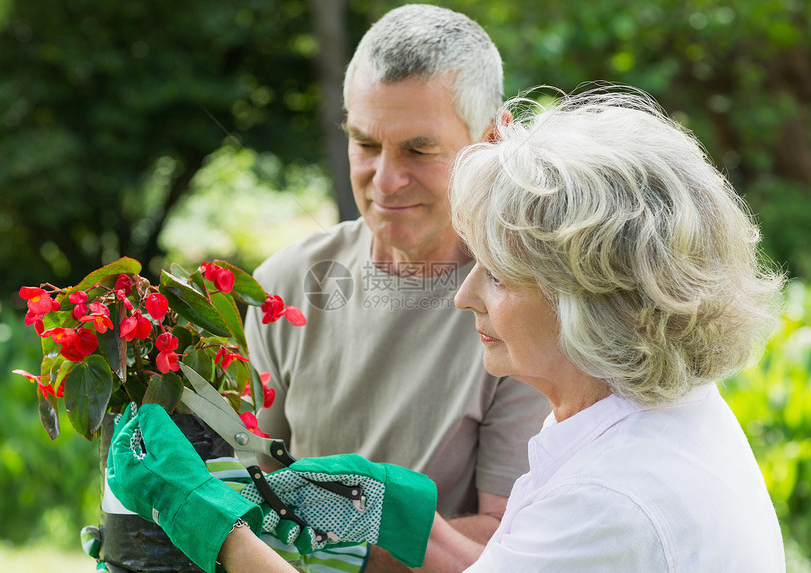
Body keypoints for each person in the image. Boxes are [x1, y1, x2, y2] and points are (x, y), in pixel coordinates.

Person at [243, 4, 549, 570]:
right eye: (365, 143)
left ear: (492, 138)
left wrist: (332, 557)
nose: (385, 180)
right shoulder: (285, 285)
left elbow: (508, 543)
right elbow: (246, 484)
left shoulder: (530, 306)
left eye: (418, 149)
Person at [432, 86, 785, 570]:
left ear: (590, 301)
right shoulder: (662, 413)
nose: (464, 297)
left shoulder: (605, 502)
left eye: (497, 275)